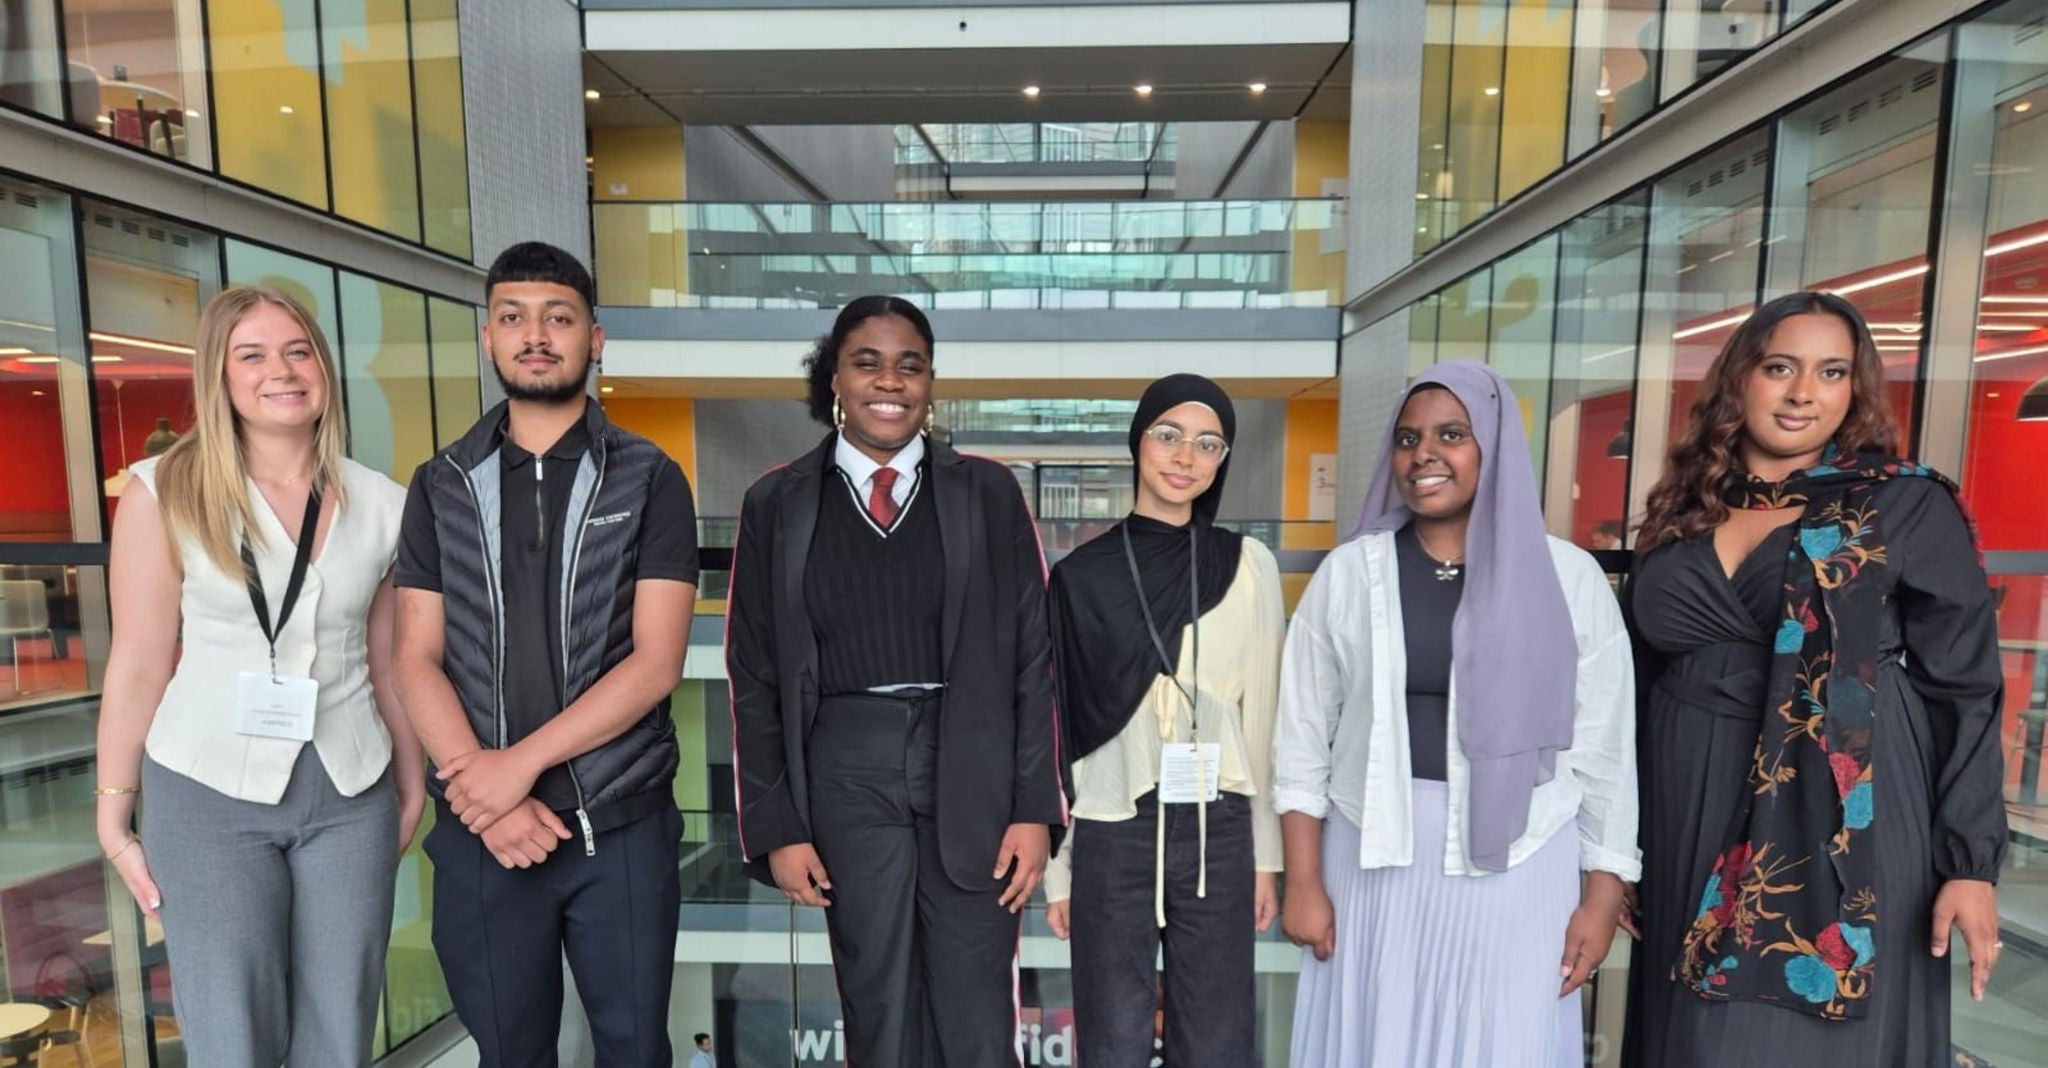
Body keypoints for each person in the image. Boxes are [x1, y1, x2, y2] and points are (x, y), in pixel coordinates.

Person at [1622, 291, 2006, 1066]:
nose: (1804, 393)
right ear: (1739, 378)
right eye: (1780, 368)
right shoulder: (1688, 506)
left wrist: (1970, 865)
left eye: (1831, 372)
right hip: (1682, 804)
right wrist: (1615, 848)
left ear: (1854, 390)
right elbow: (1633, 676)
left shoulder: (1901, 501)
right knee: (1683, 1034)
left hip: (1845, 813)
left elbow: (1965, 687)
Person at [725, 295, 1065, 1067]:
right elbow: (754, 675)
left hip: (971, 765)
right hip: (845, 770)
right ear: (835, 380)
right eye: (867, 363)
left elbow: (1033, 658)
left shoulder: (988, 493)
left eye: (910, 366)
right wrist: (777, 826)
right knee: (878, 1010)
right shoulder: (777, 502)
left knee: (977, 1021)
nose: (890, 382)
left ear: (930, 383)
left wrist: (1034, 809)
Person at [1274, 361, 1639, 1067]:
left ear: (1494, 446)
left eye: (1452, 434)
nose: (1425, 455)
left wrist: (1602, 898)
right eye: (1408, 439)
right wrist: (1305, 881)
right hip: (1372, 857)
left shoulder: (1569, 578)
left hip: (1521, 864)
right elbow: (1301, 739)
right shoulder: (1350, 574)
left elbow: (1605, 750)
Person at [95, 285, 422, 1067]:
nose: (281, 370)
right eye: (252, 355)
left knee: (339, 1028)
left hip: (351, 794)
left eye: (298, 351)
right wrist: (113, 809)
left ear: (323, 368)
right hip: (205, 793)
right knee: (231, 1032)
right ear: (220, 374)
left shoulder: (385, 504)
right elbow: (139, 660)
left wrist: (411, 786)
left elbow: (387, 663)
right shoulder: (161, 491)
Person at [392, 242, 699, 1067]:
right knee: (509, 1055)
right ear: (487, 337)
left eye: (558, 318)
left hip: (619, 826)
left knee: (635, 1052)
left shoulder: (650, 477)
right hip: (482, 838)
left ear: (593, 338)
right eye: (513, 318)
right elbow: (414, 656)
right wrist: (487, 798)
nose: (535, 335)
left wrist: (516, 768)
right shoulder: (441, 483)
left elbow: (657, 662)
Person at [1041, 374, 1282, 1065]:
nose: (1185, 457)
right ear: (1137, 442)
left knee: (1216, 1040)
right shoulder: (1081, 577)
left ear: (1222, 460)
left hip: (1220, 829)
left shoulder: (1248, 565)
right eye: (1168, 435)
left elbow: (1262, 719)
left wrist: (1266, 858)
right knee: (1111, 1039)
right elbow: (1064, 733)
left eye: (1208, 444)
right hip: (1113, 826)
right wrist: (1060, 869)